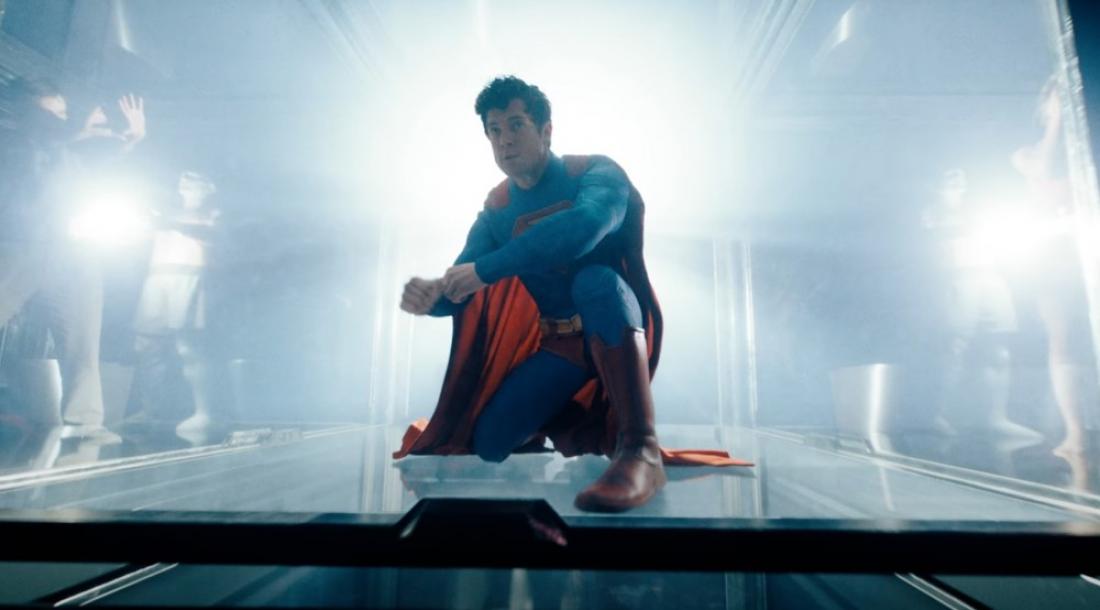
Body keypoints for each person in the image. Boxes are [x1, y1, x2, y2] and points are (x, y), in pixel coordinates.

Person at [393, 76, 750, 513]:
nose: (505, 140)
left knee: (593, 280)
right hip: (562, 348)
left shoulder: (596, 173)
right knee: (489, 442)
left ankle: (640, 449)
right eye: (494, 130)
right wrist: (433, 297)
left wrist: (484, 270)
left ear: (546, 130)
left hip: (615, 322)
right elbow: (460, 286)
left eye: (516, 125)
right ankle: (580, 427)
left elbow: (583, 228)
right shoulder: (496, 210)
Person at [0, 77, 146, 443]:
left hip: (74, 255)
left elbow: (102, 158)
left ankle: (84, 421)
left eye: (63, 112)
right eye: (50, 113)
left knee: (83, 341)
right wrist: (79, 133)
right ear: (24, 113)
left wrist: (132, 140)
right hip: (20, 248)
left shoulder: (76, 151)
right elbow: (35, 162)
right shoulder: (13, 142)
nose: (60, 120)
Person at [1010, 75, 1099, 459]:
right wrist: (1058, 121)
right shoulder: (1026, 153)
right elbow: (1041, 170)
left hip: (1087, 248)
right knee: (1061, 337)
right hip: (1053, 257)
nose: (1060, 100)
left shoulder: (1086, 148)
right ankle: (1075, 434)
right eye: (1052, 96)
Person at [129, 170, 222, 441]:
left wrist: (170, 223)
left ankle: (204, 411)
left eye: (193, 183)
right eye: (184, 183)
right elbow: (139, 236)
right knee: (147, 345)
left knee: (188, 346)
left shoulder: (214, 212)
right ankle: (151, 410)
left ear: (207, 188)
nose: (186, 188)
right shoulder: (163, 213)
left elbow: (213, 234)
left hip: (190, 276)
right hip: (158, 276)